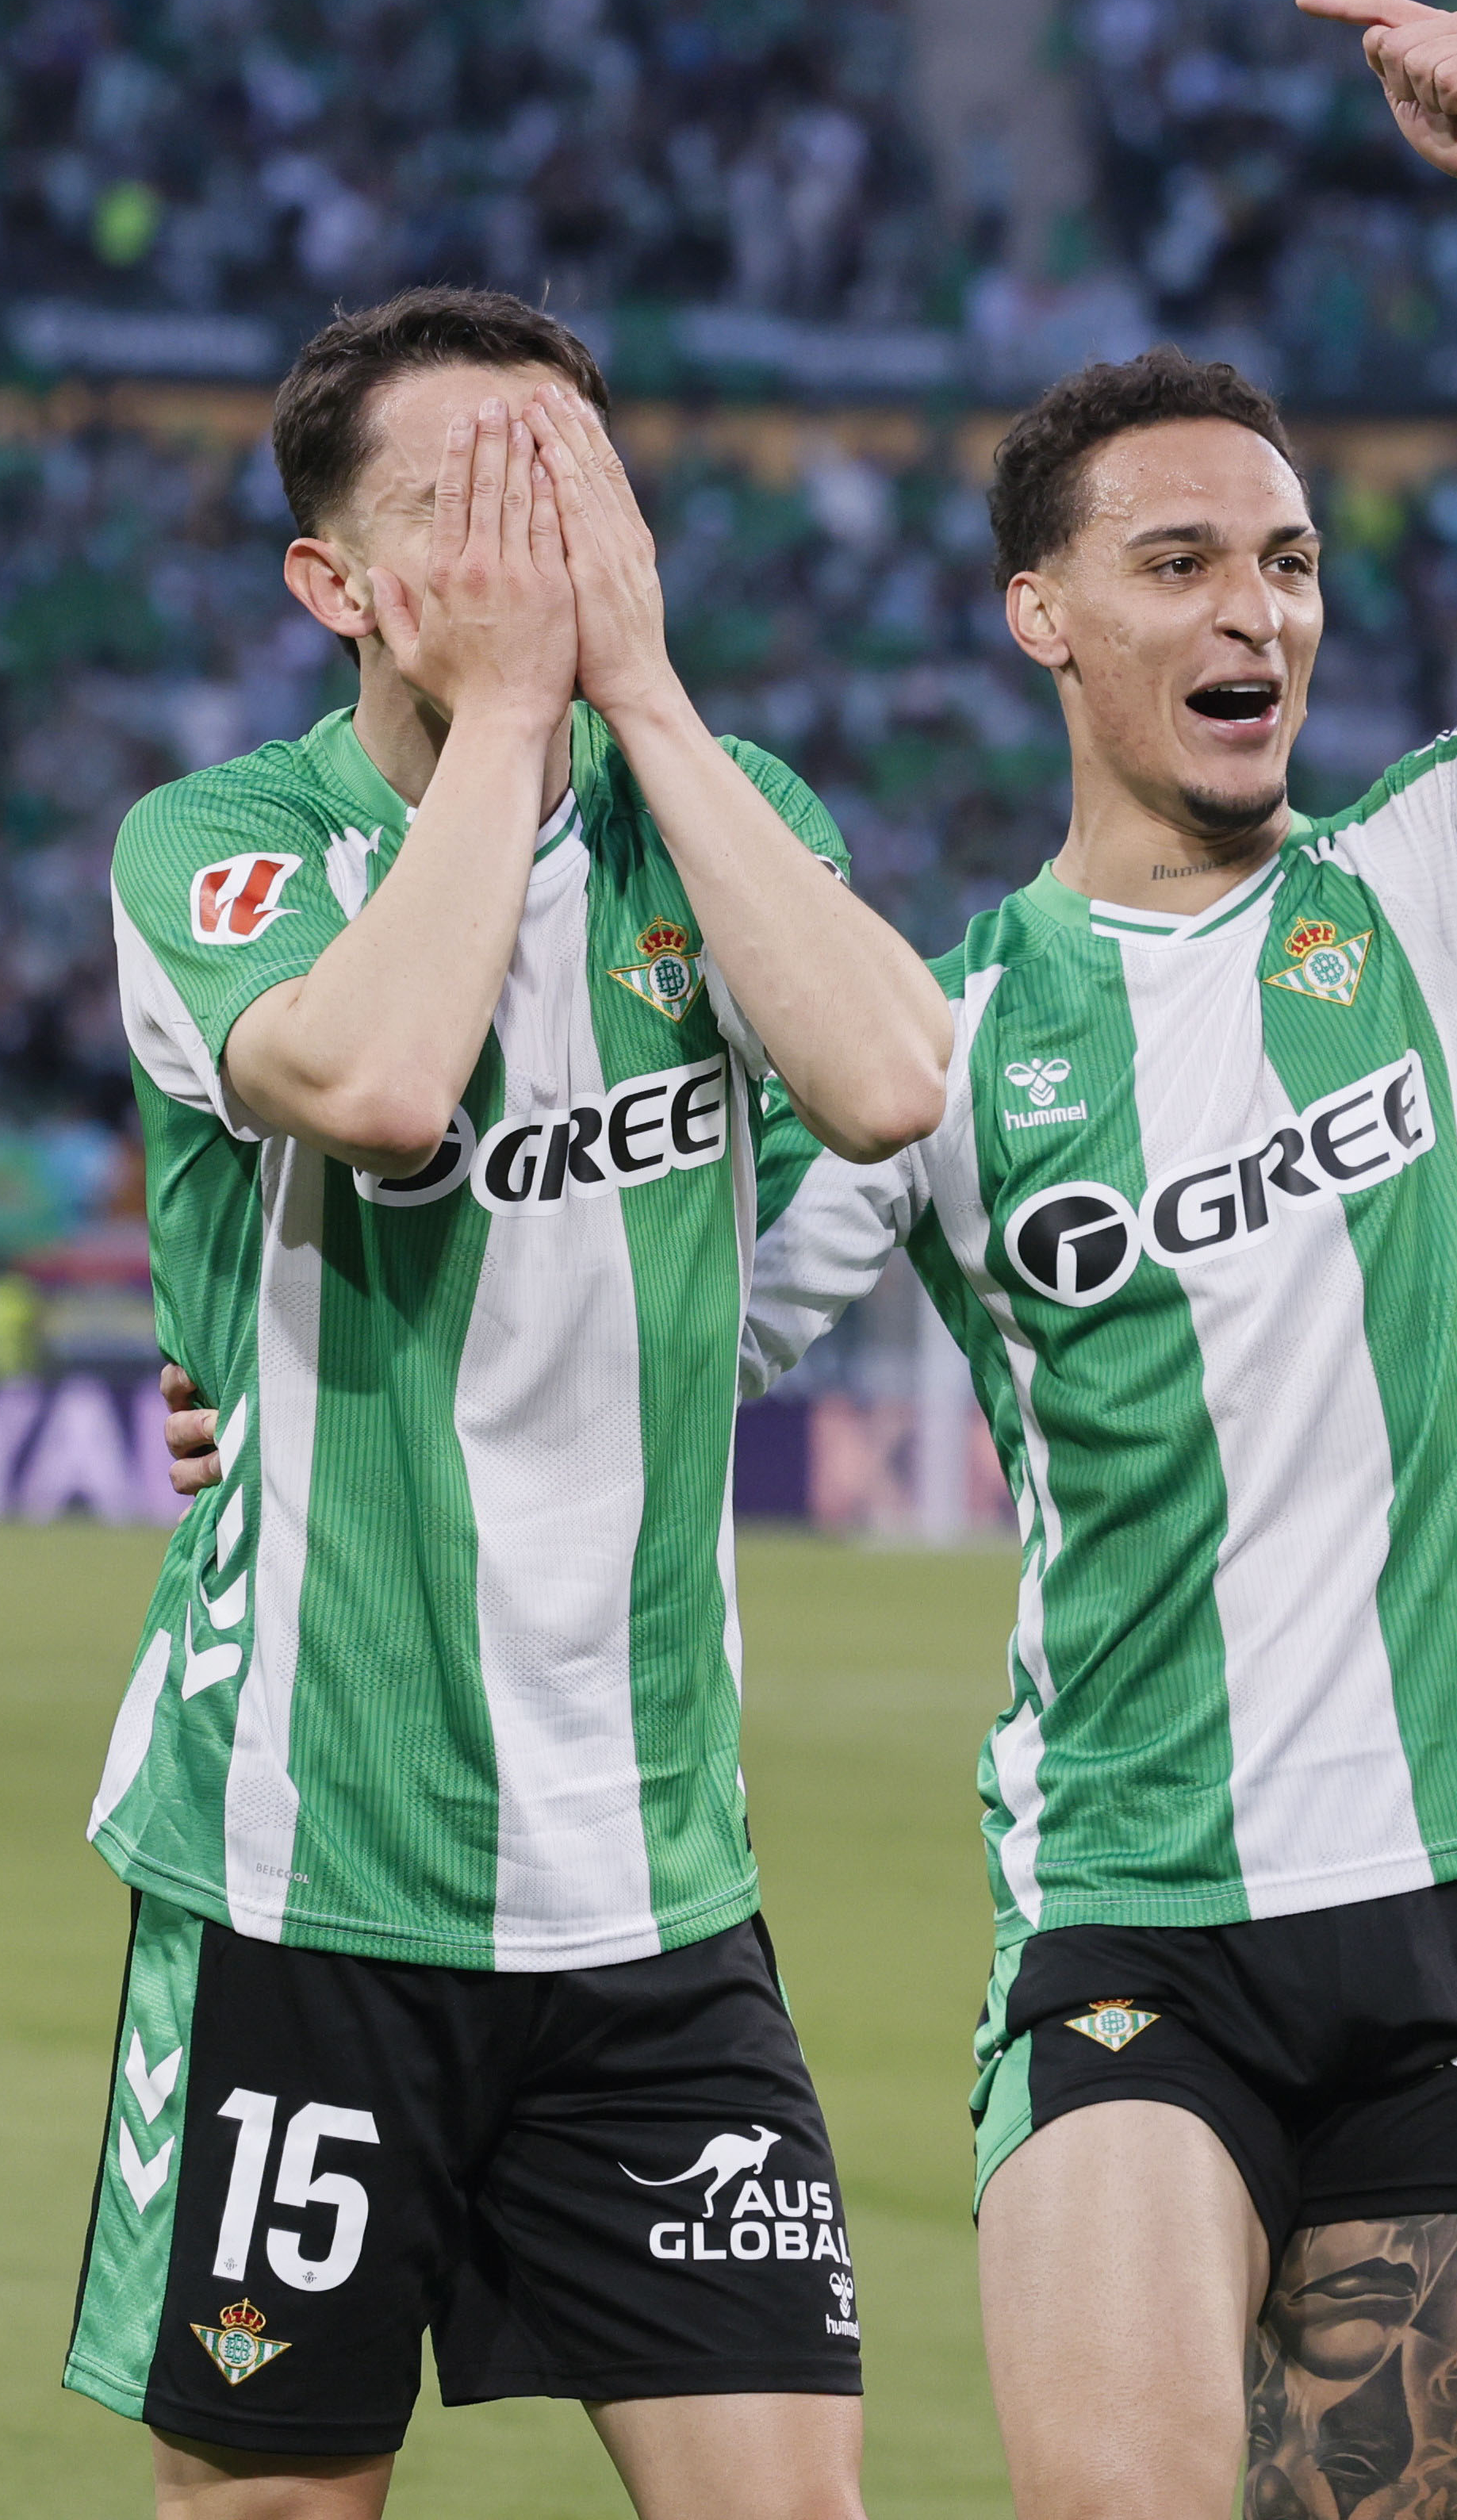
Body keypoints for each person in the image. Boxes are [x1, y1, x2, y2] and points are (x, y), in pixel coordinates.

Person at [166, 0, 1457, 2517]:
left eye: (1291, 561)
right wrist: (269, 1375)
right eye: (1185, 561)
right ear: (1046, 618)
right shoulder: (947, 1043)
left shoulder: (1444, 900)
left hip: (1448, 1890)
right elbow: (654, 1304)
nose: (1261, 612)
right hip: (1122, 1899)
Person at [67, 286, 953, 2518]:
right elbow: (375, 1085)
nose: (544, 544)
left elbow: (885, 1081)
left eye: (583, 487)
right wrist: (500, 726)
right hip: (313, 1878)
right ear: (338, 584)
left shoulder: (716, 813)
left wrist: (630, 693)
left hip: (657, 1897)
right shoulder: (221, 846)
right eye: (479, 503)